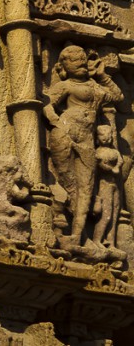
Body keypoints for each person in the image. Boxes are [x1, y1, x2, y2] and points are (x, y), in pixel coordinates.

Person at [44, 46, 122, 243]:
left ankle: (77, 236)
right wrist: (57, 123)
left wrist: (102, 75)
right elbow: (47, 105)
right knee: (67, 182)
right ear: (63, 66)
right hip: (65, 134)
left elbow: (118, 96)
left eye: (81, 58)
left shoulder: (95, 86)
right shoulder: (65, 86)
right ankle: (66, 224)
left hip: (87, 140)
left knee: (86, 187)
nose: (79, 61)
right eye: (73, 60)